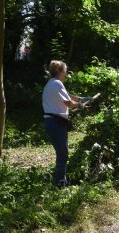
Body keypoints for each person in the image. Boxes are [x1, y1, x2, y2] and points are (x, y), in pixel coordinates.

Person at [42, 60, 92, 188]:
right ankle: (59, 184)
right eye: (65, 71)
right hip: (55, 122)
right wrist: (79, 105)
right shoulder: (57, 83)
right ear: (59, 71)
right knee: (63, 154)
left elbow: (68, 96)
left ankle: (60, 181)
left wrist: (81, 99)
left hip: (53, 122)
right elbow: (68, 103)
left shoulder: (52, 83)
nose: (66, 74)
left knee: (62, 153)